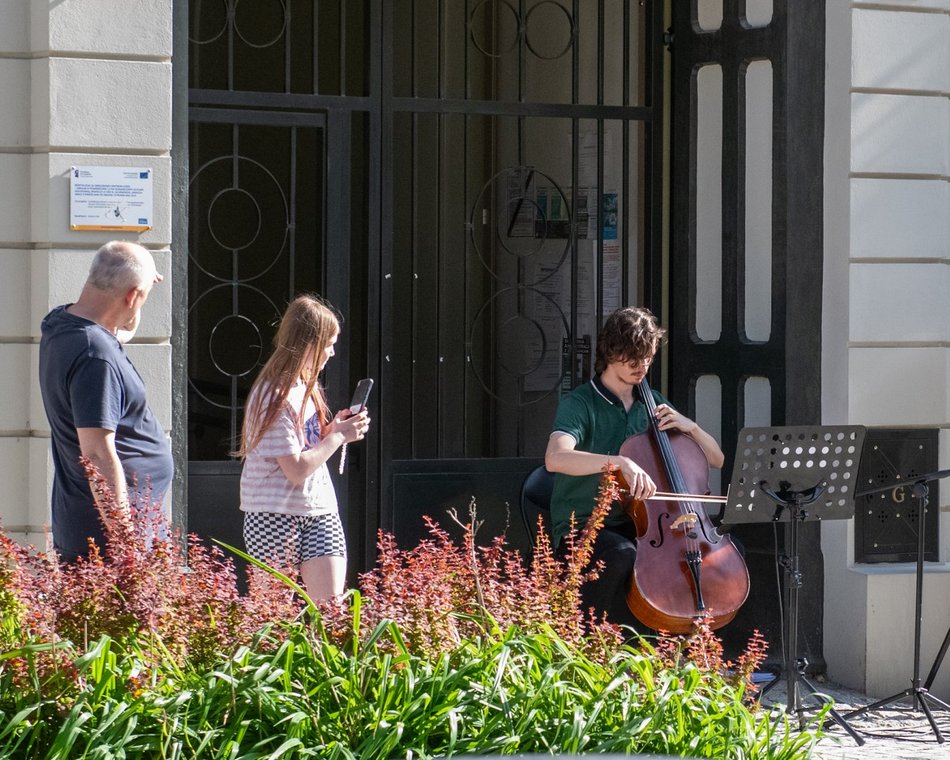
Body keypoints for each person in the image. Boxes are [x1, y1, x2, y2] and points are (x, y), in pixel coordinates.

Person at [544, 306, 725, 629]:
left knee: (711, 556)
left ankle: (667, 650)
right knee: (621, 554)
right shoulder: (581, 403)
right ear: (611, 352)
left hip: (642, 524)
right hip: (587, 524)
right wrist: (619, 463)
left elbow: (716, 459)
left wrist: (690, 427)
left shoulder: (652, 402)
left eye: (647, 357)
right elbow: (556, 457)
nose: (641, 366)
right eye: (633, 358)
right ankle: (584, 640)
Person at [39, 240, 173, 563]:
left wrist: (129, 311)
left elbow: (102, 336)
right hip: (108, 544)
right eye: (141, 300)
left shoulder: (61, 324)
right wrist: (126, 543)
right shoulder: (95, 357)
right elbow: (98, 454)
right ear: (131, 296)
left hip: (92, 531)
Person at [236, 294, 370, 602]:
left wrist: (332, 429)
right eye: (328, 343)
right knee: (273, 615)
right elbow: (295, 469)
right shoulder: (274, 394)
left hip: (319, 509)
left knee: (332, 610)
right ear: (308, 343)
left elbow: (305, 444)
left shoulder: (303, 388)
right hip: (273, 514)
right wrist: (338, 438)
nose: (332, 353)